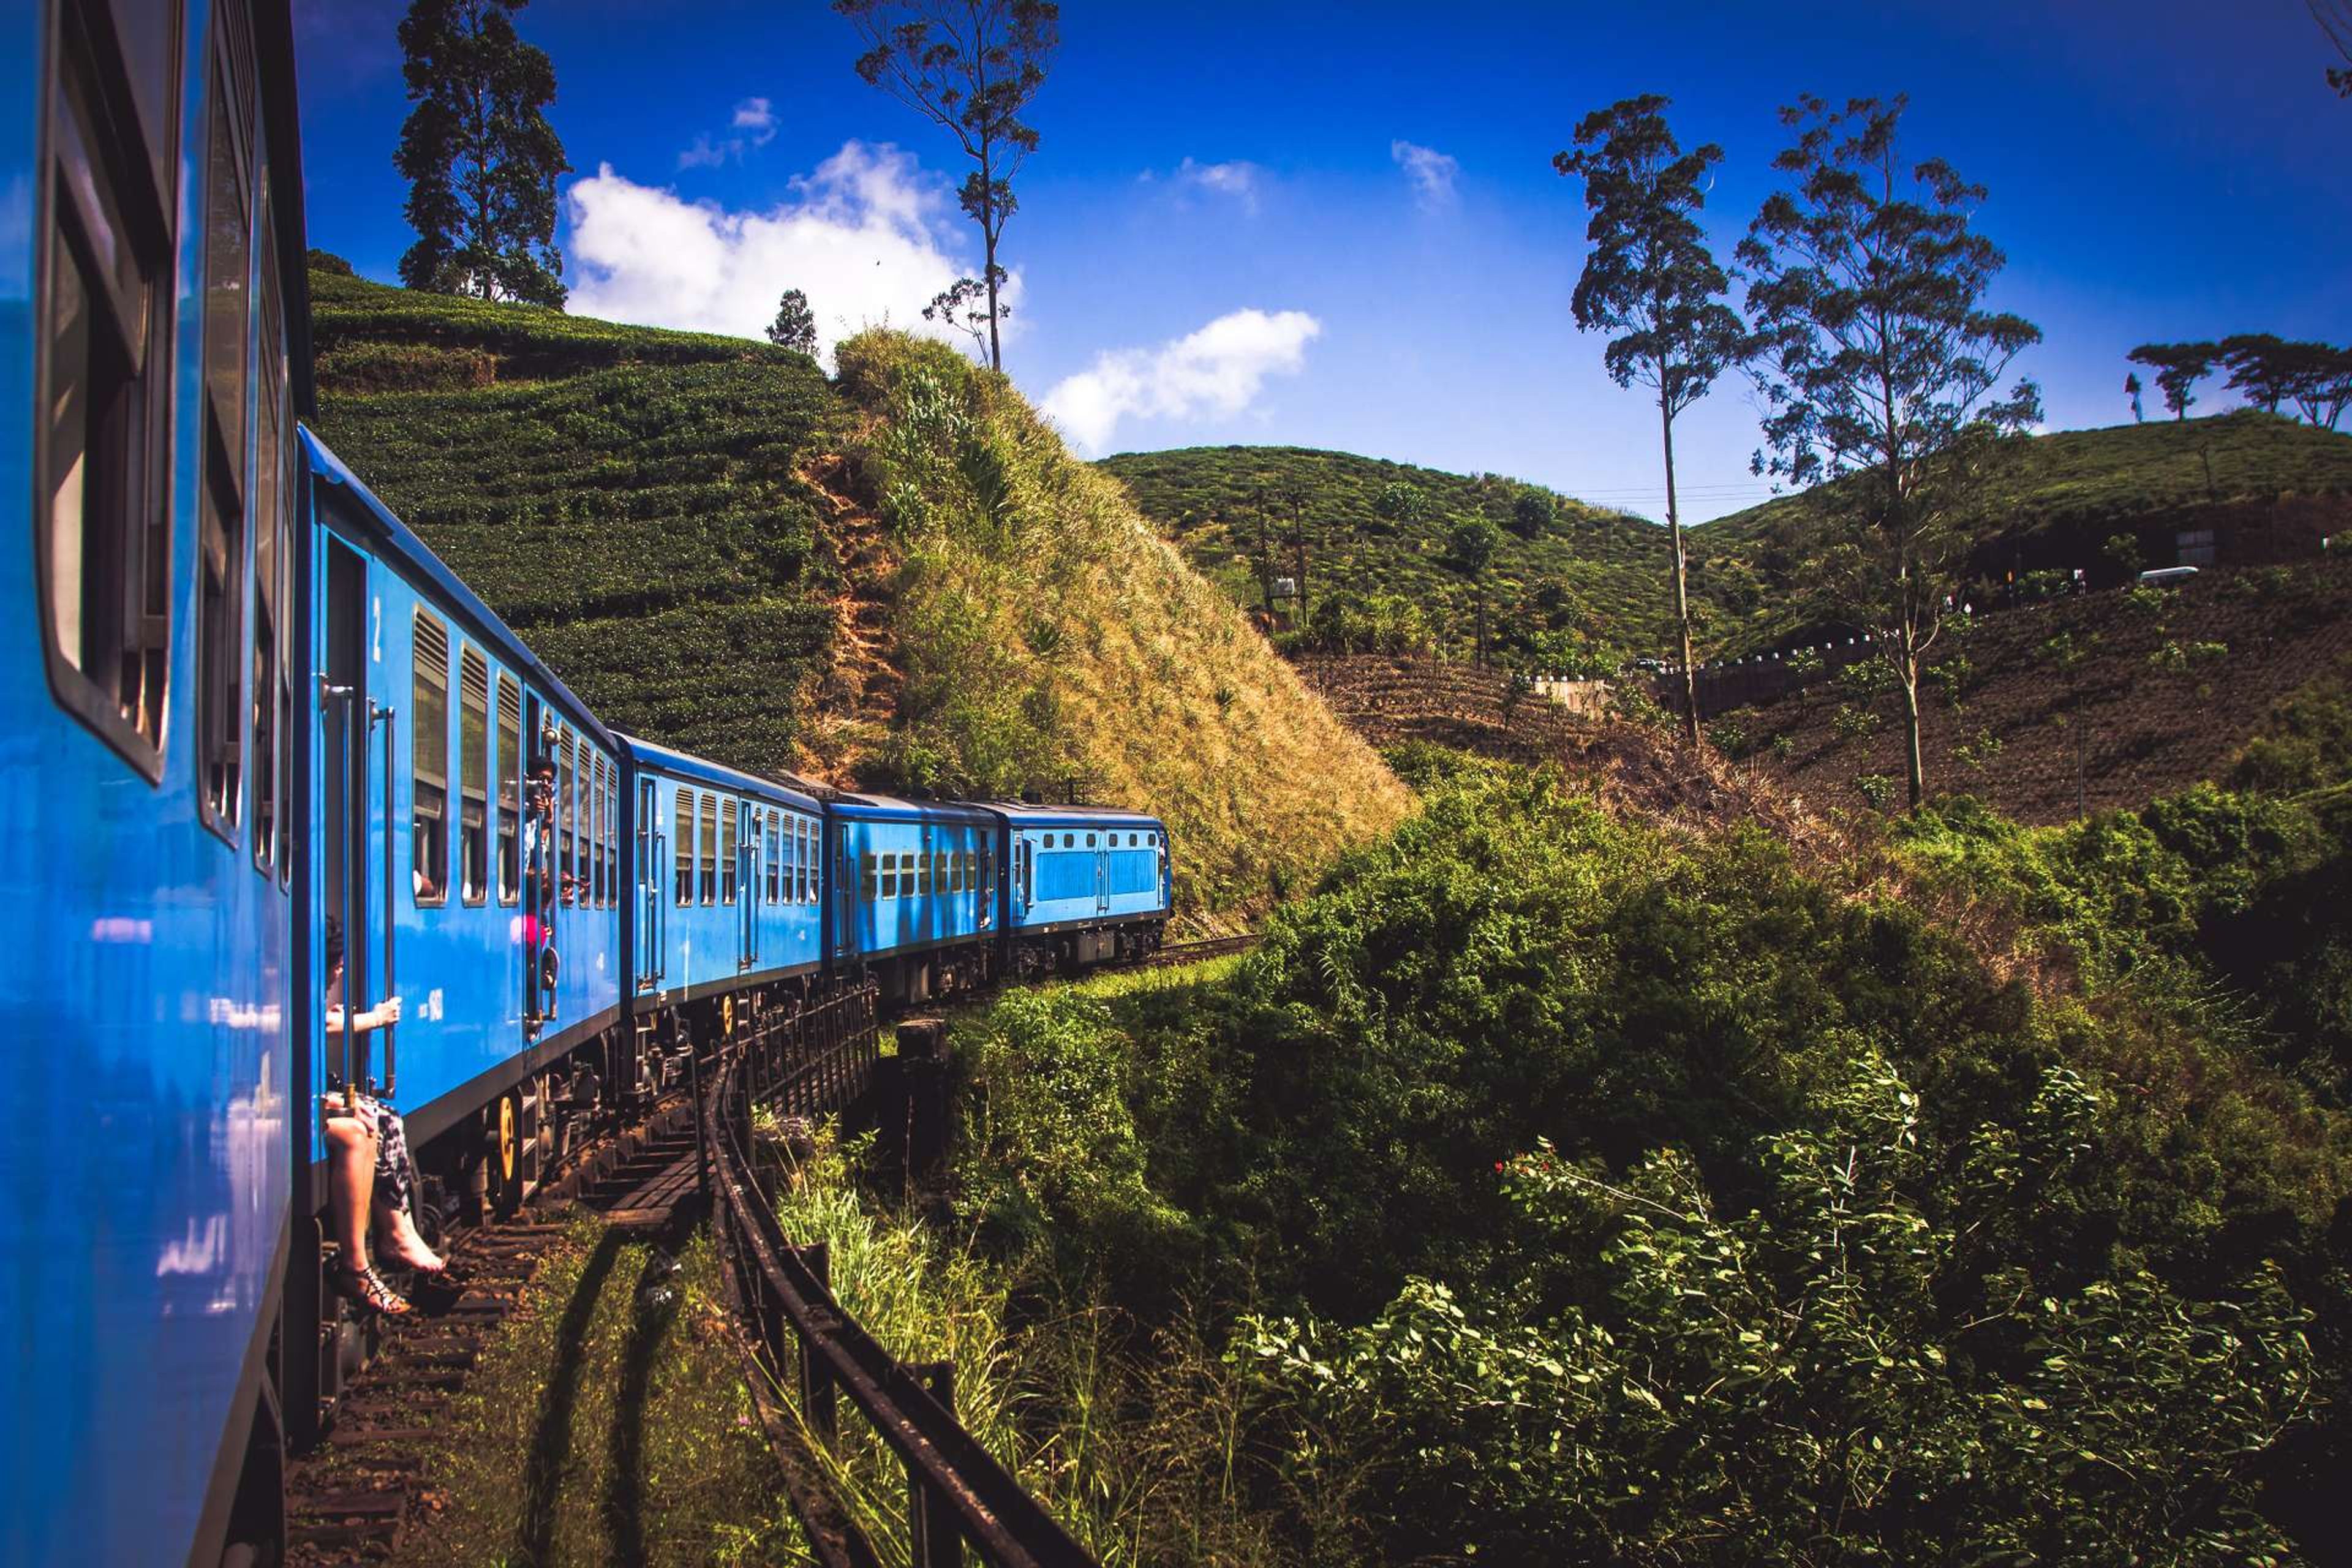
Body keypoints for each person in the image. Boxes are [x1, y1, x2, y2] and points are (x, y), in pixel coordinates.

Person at [322, 918, 443, 1316]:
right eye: (336, 963)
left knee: (389, 1119)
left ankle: (399, 1229)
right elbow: (322, 1024)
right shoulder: (299, 982)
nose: (340, 970)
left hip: (313, 1094)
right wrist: (377, 1018)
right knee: (368, 1125)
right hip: (303, 1101)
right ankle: (370, 1255)